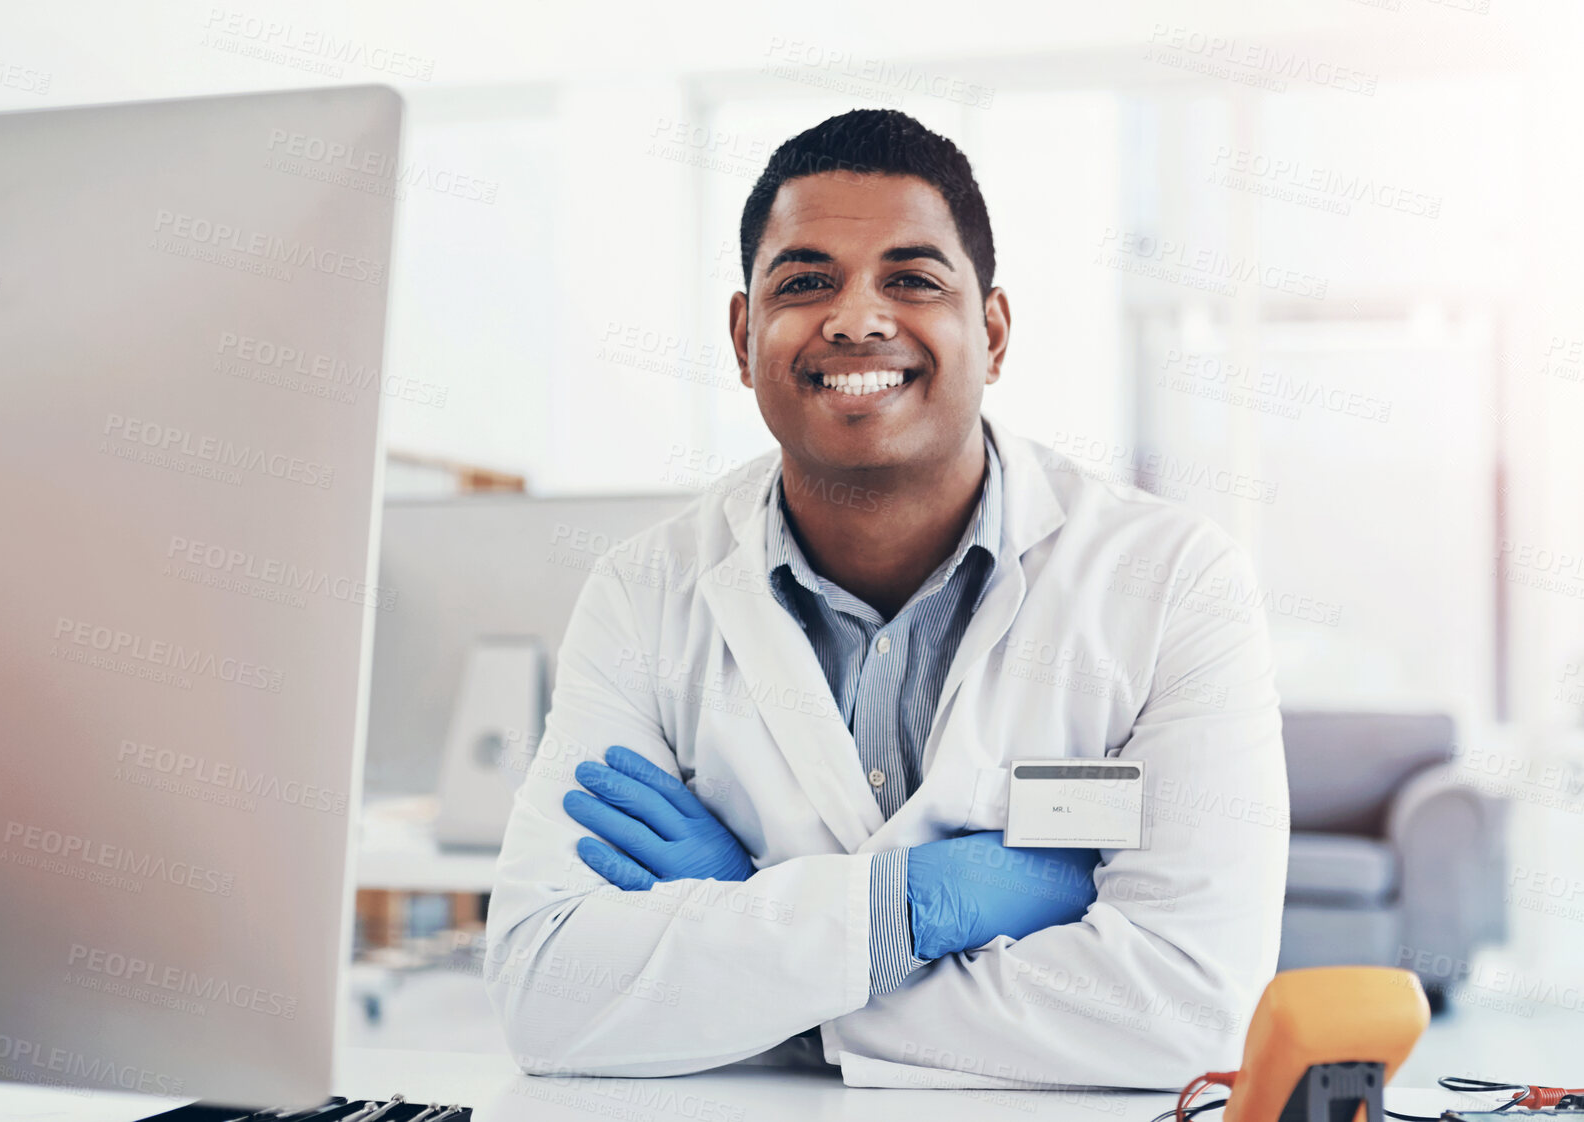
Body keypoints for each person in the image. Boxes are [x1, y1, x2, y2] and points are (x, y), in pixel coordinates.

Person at [482, 109, 1288, 1089]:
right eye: (806, 281)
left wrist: (761, 940)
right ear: (744, 338)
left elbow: (1188, 1008)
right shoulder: (646, 591)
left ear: (991, 333)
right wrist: (914, 907)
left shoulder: (1170, 582)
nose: (858, 318)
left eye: (911, 279)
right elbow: (546, 989)